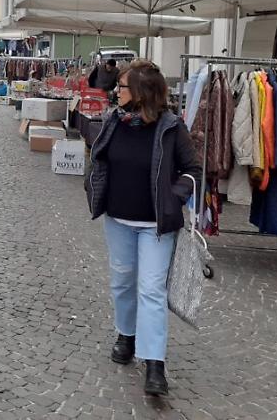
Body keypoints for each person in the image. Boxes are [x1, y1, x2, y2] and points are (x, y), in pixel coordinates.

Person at [85, 60, 202, 397]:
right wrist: (93, 184)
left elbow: (192, 170)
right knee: (122, 282)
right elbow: (99, 157)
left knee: (151, 290)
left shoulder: (171, 127)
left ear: (139, 92)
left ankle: (154, 363)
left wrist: (173, 196)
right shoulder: (115, 121)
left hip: (156, 225)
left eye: (121, 87)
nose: (115, 92)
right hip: (118, 220)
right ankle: (126, 335)